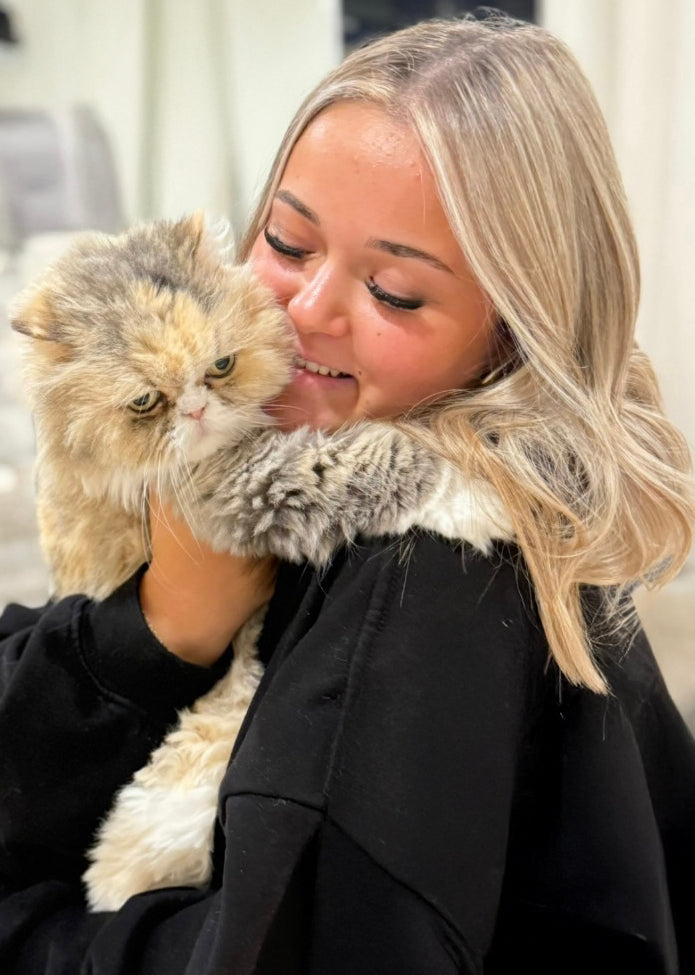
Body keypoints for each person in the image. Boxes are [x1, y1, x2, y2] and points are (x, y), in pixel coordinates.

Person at [1, 13, 694, 975]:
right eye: (288, 242)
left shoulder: (429, 568)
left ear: (513, 330)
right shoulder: (262, 453)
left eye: (394, 292)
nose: (307, 309)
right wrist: (154, 630)